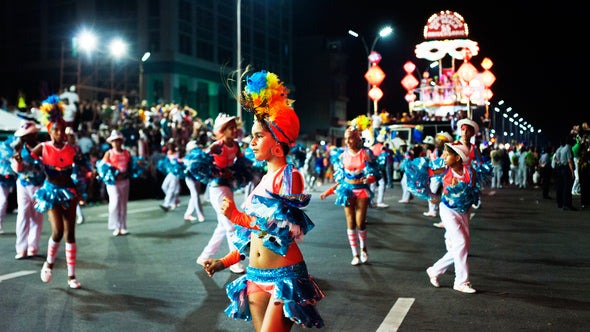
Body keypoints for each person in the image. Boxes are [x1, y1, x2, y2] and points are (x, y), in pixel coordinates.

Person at [204, 70, 324, 330]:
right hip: (254, 275)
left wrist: (237, 216)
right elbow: (253, 238)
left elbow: (284, 230)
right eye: (252, 135)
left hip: (284, 277)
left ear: (278, 142)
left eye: (259, 136)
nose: (251, 141)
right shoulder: (263, 179)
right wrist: (224, 262)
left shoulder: (289, 176)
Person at [31, 95, 81, 289]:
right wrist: (19, 158)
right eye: (56, 130)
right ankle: (49, 263)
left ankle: (71, 276)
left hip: (69, 191)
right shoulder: (43, 147)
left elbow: (81, 166)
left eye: (63, 130)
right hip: (51, 192)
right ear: (50, 132)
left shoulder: (71, 149)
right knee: (58, 231)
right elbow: (25, 160)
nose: (61, 133)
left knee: (70, 234)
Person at [320, 118, 377, 266]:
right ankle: (355, 254)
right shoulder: (342, 155)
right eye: (346, 138)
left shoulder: (365, 154)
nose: (348, 141)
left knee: (360, 222)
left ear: (357, 138)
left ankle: (364, 248)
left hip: (362, 191)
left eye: (350, 138)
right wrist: (328, 191)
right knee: (350, 222)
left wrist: (369, 179)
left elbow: (373, 173)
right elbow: (340, 178)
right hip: (347, 190)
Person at [426, 142, 478, 293]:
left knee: (462, 247)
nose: (444, 157)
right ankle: (461, 282)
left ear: (457, 157)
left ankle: (434, 270)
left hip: (464, 211)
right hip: (448, 210)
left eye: (447, 154)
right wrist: (429, 194)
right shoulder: (444, 169)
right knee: (460, 243)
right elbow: (425, 174)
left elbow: (472, 193)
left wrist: (464, 192)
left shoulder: (470, 172)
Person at [196, 113, 244, 274]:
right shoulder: (218, 146)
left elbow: (241, 162)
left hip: (228, 187)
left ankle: (204, 257)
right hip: (216, 189)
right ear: (222, 131)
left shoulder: (236, 146)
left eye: (235, 127)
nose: (235, 130)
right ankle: (234, 262)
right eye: (231, 128)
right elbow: (201, 160)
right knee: (231, 225)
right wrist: (220, 173)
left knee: (222, 227)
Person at [10, 121, 45, 259]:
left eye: (29, 134)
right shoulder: (18, 148)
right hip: (23, 185)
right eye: (25, 135)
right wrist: (18, 162)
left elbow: (45, 166)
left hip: (39, 186)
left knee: (37, 216)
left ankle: (33, 247)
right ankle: (21, 248)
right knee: (23, 214)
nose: (27, 137)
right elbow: (17, 170)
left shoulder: (41, 147)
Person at [101, 130, 132, 236]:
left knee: (123, 204)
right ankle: (115, 226)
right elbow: (103, 167)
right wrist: (114, 174)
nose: (117, 143)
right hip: (113, 182)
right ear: (111, 142)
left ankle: (123, 226)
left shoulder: (127, 153)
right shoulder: (109, 153)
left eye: (118, 140)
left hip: (124, 181)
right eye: (114, 141)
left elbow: (130, 166)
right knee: (114, 203)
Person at [183, 140, 205, 222]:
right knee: (195, 195)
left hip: (197, 178)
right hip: (190, 179)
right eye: (194, 148)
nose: (196, 150)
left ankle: (188, 214)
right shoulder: (187, 158)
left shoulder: (200, 157)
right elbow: (186, 171)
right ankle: (200, 214)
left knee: (194, 196)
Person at [158, 139, 183, 211]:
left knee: (172, 189)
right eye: (169, 144)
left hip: (176, 173)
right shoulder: (168, 153)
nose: (169, 146)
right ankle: (174, 200)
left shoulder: (177, 153)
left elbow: (180, 161)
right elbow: (167, 163)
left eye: (171, 144)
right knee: (164, 186)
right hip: (170, 172)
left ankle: (166, 204)